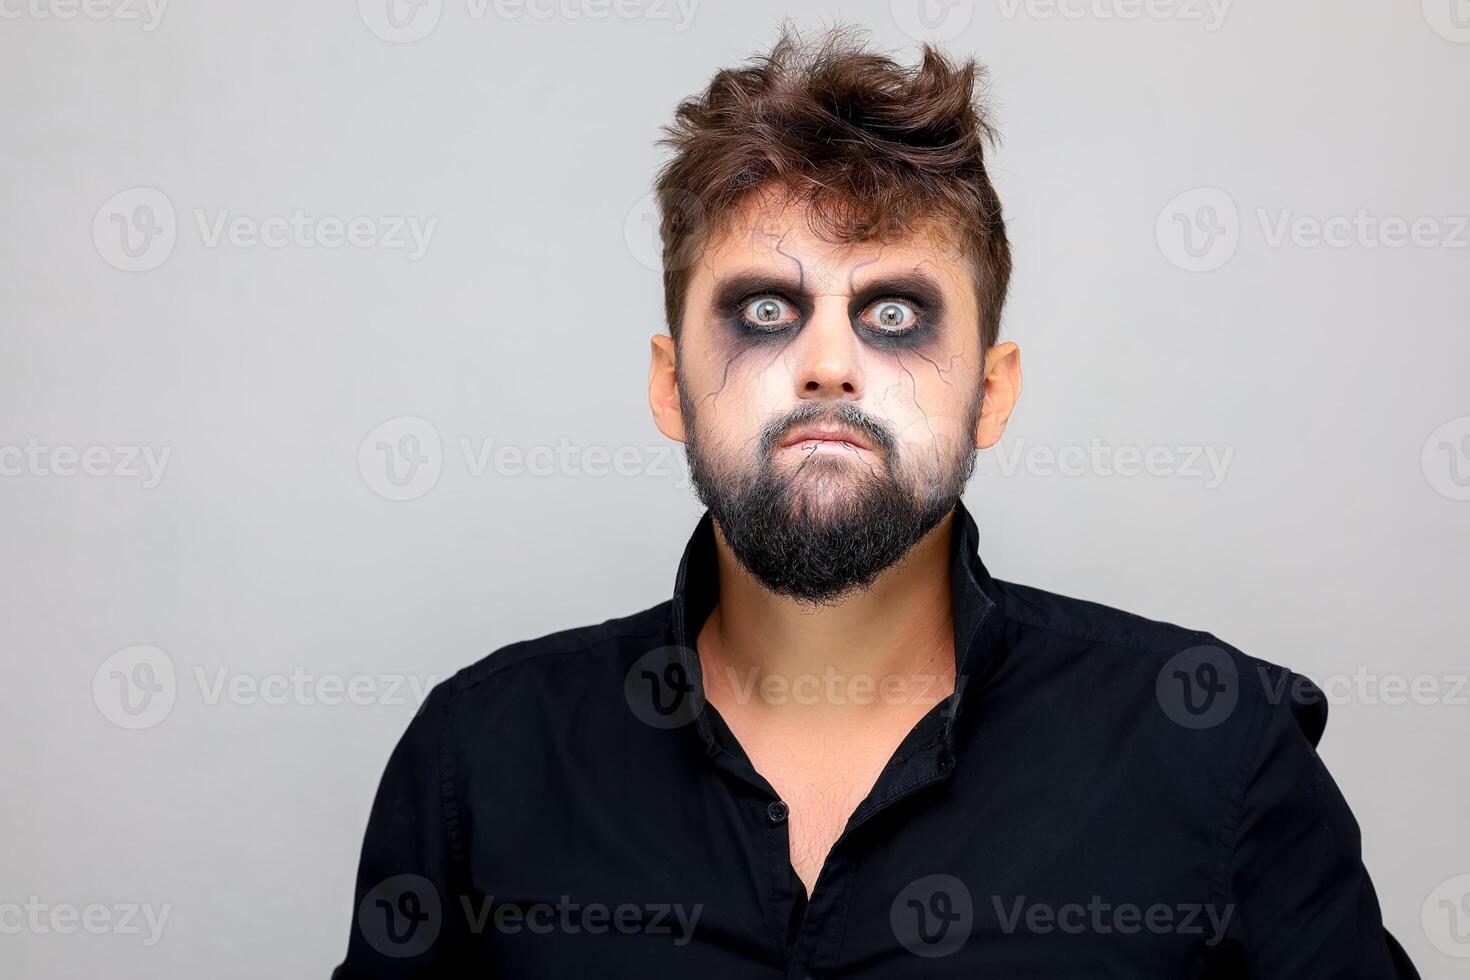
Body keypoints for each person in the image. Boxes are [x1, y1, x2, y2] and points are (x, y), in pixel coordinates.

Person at [333, 23, 1417, 977]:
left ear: (991, 391)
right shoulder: (480, 758)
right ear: (671, 383)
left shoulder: (1215, 747)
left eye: (896, 315)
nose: (828, 365)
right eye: (764, 308)